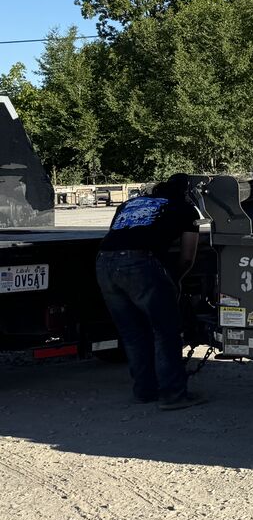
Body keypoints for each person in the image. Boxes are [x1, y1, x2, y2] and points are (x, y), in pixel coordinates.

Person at [95, 175, 203, 409]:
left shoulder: (130, 203)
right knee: (166, 331)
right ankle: (173, 395)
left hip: (104, 262)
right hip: (140, 263)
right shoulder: (185, 210)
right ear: (187, 193)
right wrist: (175, 281)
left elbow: (122, 233)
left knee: (133, 333)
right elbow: (187, 257)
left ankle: (144, 391)